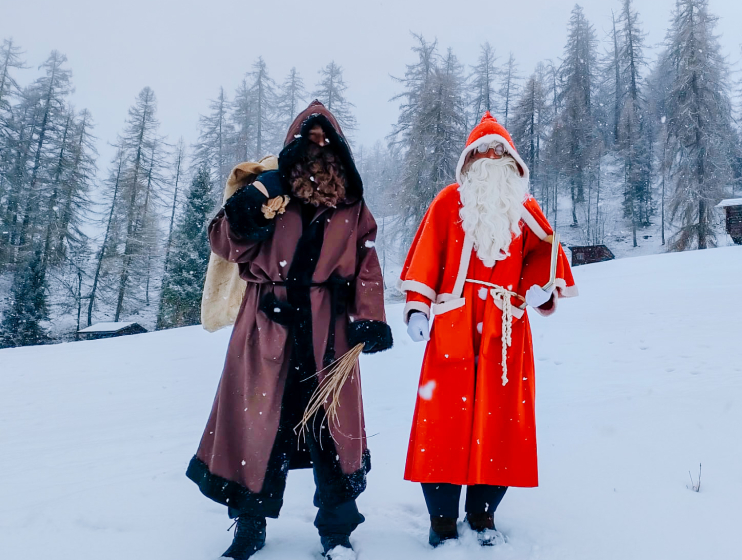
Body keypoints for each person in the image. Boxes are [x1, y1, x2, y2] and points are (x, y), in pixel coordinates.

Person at [187, 100, 392, 560]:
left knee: (331, 429)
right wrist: (250, 206)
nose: (317, 146)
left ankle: (336, 531)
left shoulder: (351, 201)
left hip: (329, 331)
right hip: (266, 325)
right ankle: (249, 528)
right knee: (257, 426)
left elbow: (366, 260)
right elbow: (223, 242)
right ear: (292, 144)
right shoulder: (266, 189)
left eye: (326, 138)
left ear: (338, 146)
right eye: (309, 138)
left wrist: (370, 317)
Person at [399, 112, 578, 546]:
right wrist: (418, 308)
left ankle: (482, 515)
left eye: (500, 151)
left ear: (513, 161)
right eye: (482, 151)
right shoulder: (447, 202)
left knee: (499, 424)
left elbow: (547, 251)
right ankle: (442, 519)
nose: (491, 157)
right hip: (454, 326)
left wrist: (540, 287)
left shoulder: (525, 208)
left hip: (506, 331)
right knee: (445, 424)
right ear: (468, 160)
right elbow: (425, 256)